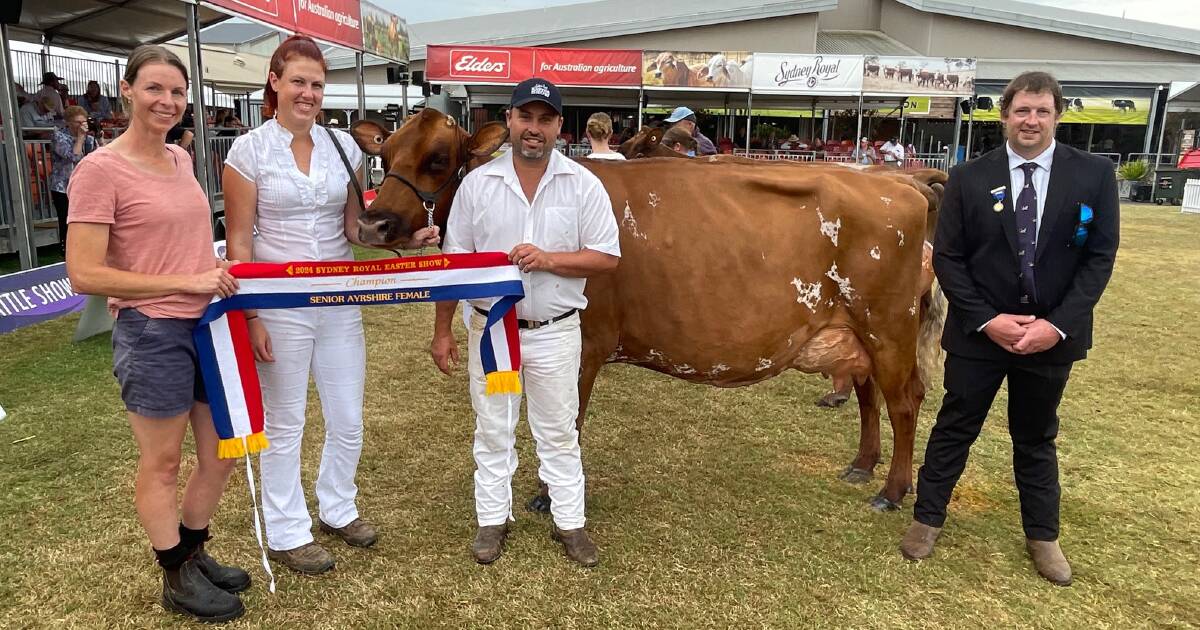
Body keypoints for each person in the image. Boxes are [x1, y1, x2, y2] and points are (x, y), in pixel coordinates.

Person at [222, 34, 439, 576]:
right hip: (279, 304)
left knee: (348, 418)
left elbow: (352, 227)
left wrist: (401, 243)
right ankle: (288, 529)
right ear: (274, 82)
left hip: (339, 298)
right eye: (298, 81)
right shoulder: (248, 150)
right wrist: (249, 316)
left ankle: (338, 506)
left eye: (316, 84)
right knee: (286, 421)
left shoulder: (342, 146)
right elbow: (240, 242)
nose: (308, 93)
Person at [900, 71, 1119, 587]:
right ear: (1004, 114)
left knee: (1036, 437)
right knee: (955, 426)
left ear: (1058, 116)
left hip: (1050, 338)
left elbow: (1099, 257)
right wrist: (988, 319)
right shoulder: (970, 177)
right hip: (981, 334)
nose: (1032, 120)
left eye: (1043, 111)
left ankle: (1043, 536)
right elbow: (950, 258)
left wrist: (1057, 327)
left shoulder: (1092, 176)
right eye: (1022, 110)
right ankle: (926, 519)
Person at [64, 44, 248, 623]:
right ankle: (174, 572)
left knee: (220, 451)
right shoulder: (100, 170)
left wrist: (211, 276)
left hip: (206, 325)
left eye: (176, 91)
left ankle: (193, 551)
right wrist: (187, 277)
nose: (167, 101)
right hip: (152, 330)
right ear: (127, 90)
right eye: (154, 89)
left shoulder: (181, 160)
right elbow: (83, 273)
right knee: (163, 461)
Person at [430, 78, 621, 567]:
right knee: (494, 427)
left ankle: (570, 522)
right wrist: (441, 330)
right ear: (509, 121)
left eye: (545, 119)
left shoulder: (583, 184)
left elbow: (606, 258)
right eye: (525, 117)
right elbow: (454, 264)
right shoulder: (478, 184)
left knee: (558, 431)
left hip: (555, 329)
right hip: (491, 327)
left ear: (559, 126)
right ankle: (493, 519)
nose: (533, 128)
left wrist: (550, 259)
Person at [50, 105, 98, 252]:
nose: (82, 125)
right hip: (62, 186)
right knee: (66, 219)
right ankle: (66, 248)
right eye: (78, 122)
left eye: (84, 122)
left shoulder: (89, 138)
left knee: (85, 218)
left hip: (83, 185)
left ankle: (85, 246)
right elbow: (74, 156)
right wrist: (81, 138)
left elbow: (98, 156)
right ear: (68, 122)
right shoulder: (59, 137)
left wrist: (98, 138)